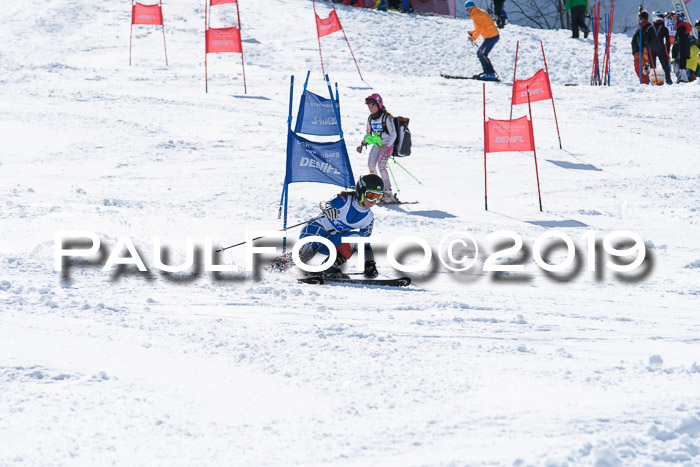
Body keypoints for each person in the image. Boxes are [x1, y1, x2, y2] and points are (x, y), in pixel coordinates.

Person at [296, 174, 383, 278]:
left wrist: (370, 264)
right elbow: (325, 204)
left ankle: (329, 267)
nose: (374, 201)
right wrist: (327, 208)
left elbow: (365, 244)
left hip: (332, 242)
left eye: (378, 197)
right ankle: (278, 264)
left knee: (358, 237)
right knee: (304, 256)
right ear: (361, 192)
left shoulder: (369, 218)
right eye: (371, 196)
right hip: (315, 231)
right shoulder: (346, 201)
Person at [356, 94, 398, 203]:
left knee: (381, 165)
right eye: (369, 106)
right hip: (377, 145)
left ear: (379, 104)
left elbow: (393, 134)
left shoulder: (386, 118)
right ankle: (377, 188)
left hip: (387, 145)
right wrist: (362, 144)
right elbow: (368, 133)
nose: (371, 108)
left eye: (373, 105)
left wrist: (387, 146)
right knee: (371, 165)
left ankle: (388, 192)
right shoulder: (370, 119)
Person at [464, 1, 500, 80]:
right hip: (491, 36)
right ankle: (488, 72)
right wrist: (472, 32)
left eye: (467, 9)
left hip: (491, 36)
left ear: (471, 8)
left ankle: (490, 74)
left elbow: (480, 28)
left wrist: (473, 38)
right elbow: (480, 27)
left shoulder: (476, 15)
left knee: (482, 54)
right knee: (481, 53)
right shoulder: (477, 12)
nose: (467, 11)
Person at [647, 12, 672, 85]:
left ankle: (652, 80)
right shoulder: (664, 29)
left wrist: (648, 48)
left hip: (651, 49)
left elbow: (647, 40)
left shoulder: (650, 28)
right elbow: (667, 41)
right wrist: (667, 51)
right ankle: (668, 80)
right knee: (665, 66)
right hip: (661, 49)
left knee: (652, 66)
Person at [670, 13, 693, 82]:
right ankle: (683, 77)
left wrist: (676, 48)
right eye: (672, 19)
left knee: (681, 63)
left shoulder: (681, 27)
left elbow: (680, 40)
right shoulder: (681, 26)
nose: (673, 21)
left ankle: (682, 78)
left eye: (675, 19)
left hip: (681, 50)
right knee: (682, 63)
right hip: (684, 49)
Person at [631, 10, 652, 84]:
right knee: (642, 69)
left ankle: (645, 83)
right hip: (640, 52)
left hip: (642, 52)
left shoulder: (645, 27)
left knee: (641, 69)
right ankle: (646, 81)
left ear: (641, 19)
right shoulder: (643, 27)